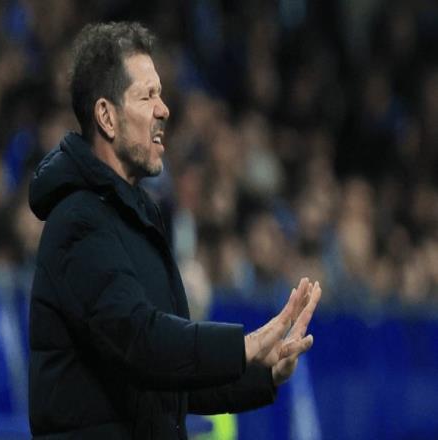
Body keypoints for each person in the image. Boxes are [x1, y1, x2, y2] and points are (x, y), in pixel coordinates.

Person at [28, 21, 322, 440]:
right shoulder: (79, 221)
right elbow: (141, 343)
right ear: (106, 116)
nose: (164, 109)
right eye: (147, 95)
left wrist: (265, 373)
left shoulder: (135, 217)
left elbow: (169, 379)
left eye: (161, 94)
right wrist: (244, 346)